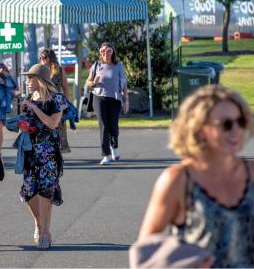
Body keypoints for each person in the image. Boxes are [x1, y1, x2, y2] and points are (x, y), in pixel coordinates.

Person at [138, 85, 254, 268]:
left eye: (241, 122)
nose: (236, 130)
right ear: (200, 129)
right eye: (226, 124)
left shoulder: (251, 174)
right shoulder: (178, 180)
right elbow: (145, 253)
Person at [18, 63, 69, 250]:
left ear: (40, 80)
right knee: (29, 191)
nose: (28, 81)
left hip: (48, 152)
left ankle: (46, 232)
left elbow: (52, 123)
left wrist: (33, 107)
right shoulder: (30, 97)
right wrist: (21, 124)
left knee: (45, 192)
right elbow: (28, 121)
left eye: (31, 78)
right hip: (30, 150)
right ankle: (38, 223)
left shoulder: (57, 99)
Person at [86, 42, 129, 165]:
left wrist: (126, 101)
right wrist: (93, 82)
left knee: (113, 127)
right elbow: (88, 83)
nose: (105, 53)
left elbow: (124, 84)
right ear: (100, 53)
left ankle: (114, 145)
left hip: (115, 99)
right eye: (102, 51)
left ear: (113, 52)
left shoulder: (118, 66)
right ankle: (106, 155)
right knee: (104, 126)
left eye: (108, 50)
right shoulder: (96, 65)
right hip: (99, 98)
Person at [38, 48, 71, 153]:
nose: (42, 59)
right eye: (41, 57)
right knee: (44, 125)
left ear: (50, 58)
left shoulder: (59, 70)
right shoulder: (39, 70)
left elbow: (65, 87)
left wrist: (66, 103)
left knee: (58, 126)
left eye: (44, 57)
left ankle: (58, 149)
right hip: (43, 101)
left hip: (57, 102)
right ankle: (46, 149)